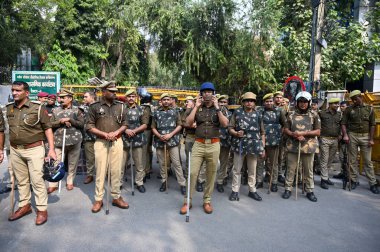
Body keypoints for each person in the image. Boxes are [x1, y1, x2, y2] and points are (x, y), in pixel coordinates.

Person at [7, 81, 57, 225]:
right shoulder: (9, 108)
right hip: (16, 150)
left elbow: (48, 128)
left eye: (18, 90)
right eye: (13, 90)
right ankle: (25, 206)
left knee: (37, 180)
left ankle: (42, 210)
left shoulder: (38, 108)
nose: (14, 93)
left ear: (26, 93)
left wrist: (52, 150)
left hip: (34, 149)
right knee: (21, 180)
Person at [180, 82, 228, 214]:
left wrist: (218, 107)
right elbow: (188, 123)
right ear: (201, 94)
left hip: (214, 144)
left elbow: (225, 124)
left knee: (211, 174)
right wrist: (196, 106)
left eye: (210, 91)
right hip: (198, 144)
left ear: (213, 94)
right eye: (205, 91)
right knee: (192, 172)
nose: (207, 94)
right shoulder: (196, 107)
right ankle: (187, 201)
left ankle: (207, 201)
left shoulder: (220, 108)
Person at [86, 81, 129, 213]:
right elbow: (89, 126)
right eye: (112, 91)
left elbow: (125, 124)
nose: (115, 93)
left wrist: (116, 132)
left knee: (116, 170)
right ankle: (98, 199)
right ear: (103, 92)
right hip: (100, 142)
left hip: (117, 141)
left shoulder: (121, 106)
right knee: (100, 171)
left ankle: (116, 197)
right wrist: (104, 134)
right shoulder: (94, 106)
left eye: (115, 91)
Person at [282, 91, 320, 202]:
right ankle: (288, 189)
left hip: (308, 146)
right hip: (293, 145)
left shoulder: (314, 114)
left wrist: (303, 134)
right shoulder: (291, 114)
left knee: (308, 170)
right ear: (297, 102)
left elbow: (317, 131)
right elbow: (286, 129)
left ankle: (310, 190)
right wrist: (293, 134)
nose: (303, 104)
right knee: (291, 169)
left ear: (309, 102)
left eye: (305, 102)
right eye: (301, 101)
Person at [228, 92, 265, 202]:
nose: (249, 102)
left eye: (252, 101)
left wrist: (262, 147)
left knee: (252, 170)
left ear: (254, 103)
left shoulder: (258, 114)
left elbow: (262, 132)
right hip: (239, 145)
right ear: (243, 102)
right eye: (247, 100)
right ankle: (235, 191)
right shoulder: (237, 112)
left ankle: (252, 190)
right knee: (237, 170)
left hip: (254, 147)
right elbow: (230, 127)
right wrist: (236, 133)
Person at [341, 90, 379, 194]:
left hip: (365, 136)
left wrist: (371, 139)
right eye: (353, 99)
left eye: (356, 98)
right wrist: (345, 135)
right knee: (352, 160)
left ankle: (373, 183)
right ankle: (354, 180)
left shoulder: (369, 109)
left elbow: (372, 125)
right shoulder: (349, 110)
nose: (354, 101)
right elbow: (343, 123)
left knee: (368, 161)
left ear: (360, 97)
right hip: (352, 135)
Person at [47, 89, 84, 193]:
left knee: (73, 163)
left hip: (74, 140)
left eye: (63, 97)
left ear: (70, 99)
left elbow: (82, 125)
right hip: (58, 140)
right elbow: (50, 124)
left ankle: (70, 181)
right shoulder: (55, 110)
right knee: (56, 162)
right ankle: (53, 183)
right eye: (60, 97)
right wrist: (60, 121)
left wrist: (70, 120)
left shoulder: (77, 110)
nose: (61, 99)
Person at [152, 93, 186, 194]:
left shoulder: (175, 111)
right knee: (162, 163)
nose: (166, 101)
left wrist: (170, 135)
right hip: (160, 141)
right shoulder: (156, 112)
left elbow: (180, 125)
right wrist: (159, 136)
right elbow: (153, 127)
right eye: (164, 99)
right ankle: (164, 181)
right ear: (161, 101)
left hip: (173, 141)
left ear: (170, 100)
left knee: (176, 163)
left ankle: (182, 183)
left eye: (168, 99)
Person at [121, 89, 149, 193]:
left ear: (136, 98)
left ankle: (139, 183)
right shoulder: (121, 108)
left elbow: (145, 124)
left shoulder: (142, 109)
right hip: (123, 139)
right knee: (121, 164)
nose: (131, 98)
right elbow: (118, 122)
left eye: (133, 96)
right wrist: (126, 130)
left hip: (137, 139)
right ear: (126, 98)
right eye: (129, 96)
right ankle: (118, 183)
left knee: (139, 164)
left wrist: (134, 131)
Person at [258, 93, 286, 192]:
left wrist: (279, 135)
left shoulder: (279, 111)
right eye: (267, 101)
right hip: (261, 141)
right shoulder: (259, 111)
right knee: (260, 162)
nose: (269, 103)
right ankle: (259, 181)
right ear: (264, 102)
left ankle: (274, 182)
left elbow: (284, 125)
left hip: (274, 142)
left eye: (270, 101)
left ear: (273, 101)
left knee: (274, 164)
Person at [319, 97, 341, 189]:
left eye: (337, 103)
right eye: (335, 103)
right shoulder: (322, 113)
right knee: (324, 159)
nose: (337, 105)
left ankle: (326, 176)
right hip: (324, 139)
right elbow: (317, 125)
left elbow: (340, 125)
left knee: (330, 160)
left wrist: (340, 135)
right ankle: (323, 179)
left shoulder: (339, 114)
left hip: (335, 140)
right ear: (330, 104)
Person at [215, 95, 232, 193]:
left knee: (223, 163)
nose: (222, 104)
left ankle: (220, 181)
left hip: (225, 142)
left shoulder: (231, 114)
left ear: (227, 103)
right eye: (220, 102)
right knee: (209, 162)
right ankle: (203, 180)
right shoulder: (214, 112)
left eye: (224, 102)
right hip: (214, 140)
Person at [82, 91, 97, 184]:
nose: (84, 98)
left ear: (92, 97)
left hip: (100, 136)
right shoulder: (83, 108)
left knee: (101, 158)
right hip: (88, 137)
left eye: (86, 96)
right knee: (89, 158)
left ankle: (102, 175)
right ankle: (90, 175)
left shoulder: (100, 107)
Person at [140, 92, 153, 180]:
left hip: (144, 131)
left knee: (143, 153)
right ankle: (147, 170)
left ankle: (144, 172)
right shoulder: (150, 107)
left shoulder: (145, 107)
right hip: (149, 131)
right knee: (147, 152)